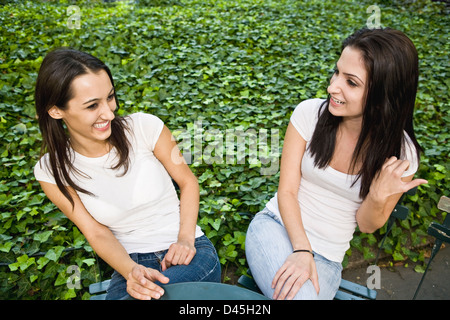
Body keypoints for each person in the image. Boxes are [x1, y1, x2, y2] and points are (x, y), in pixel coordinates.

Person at [245, 27, 428, 300]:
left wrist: (378, 195)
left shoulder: (401, 154)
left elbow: (367, 225)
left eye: (351, 82)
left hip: (328, 259)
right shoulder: (309, 114)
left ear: (383, 94)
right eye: (336, 72)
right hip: (276, 228)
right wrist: (301, 250)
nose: (333, 86)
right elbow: (287, 191)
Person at [33, 48, 221, 300]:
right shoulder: (51, 170)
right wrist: (132, 271)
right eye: (92, 106)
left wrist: (185, 239)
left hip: (190, 252)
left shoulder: (145, 127)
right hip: (130, 265)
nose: (109, 113)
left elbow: (188, 182)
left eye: (110, 97)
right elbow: (96, 232)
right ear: (56, 110)